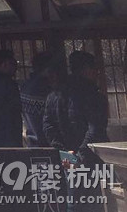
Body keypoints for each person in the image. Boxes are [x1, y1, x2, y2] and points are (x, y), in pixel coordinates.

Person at [44, 51, 109, 212]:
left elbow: (48, 126)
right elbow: (95, 129)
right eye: (95, 69)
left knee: (74, 203)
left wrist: (64, 153)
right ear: (86, 69)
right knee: (97, 203)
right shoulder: (93, 96)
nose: (97, 73)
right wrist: (81, 157)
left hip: (68, 158)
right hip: (92, 158)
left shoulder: (54, 95)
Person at [20, 51, 61, 147]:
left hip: (32, 142)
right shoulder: (46, 90)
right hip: (48, 143)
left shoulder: (25, 86)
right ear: (48, 69)